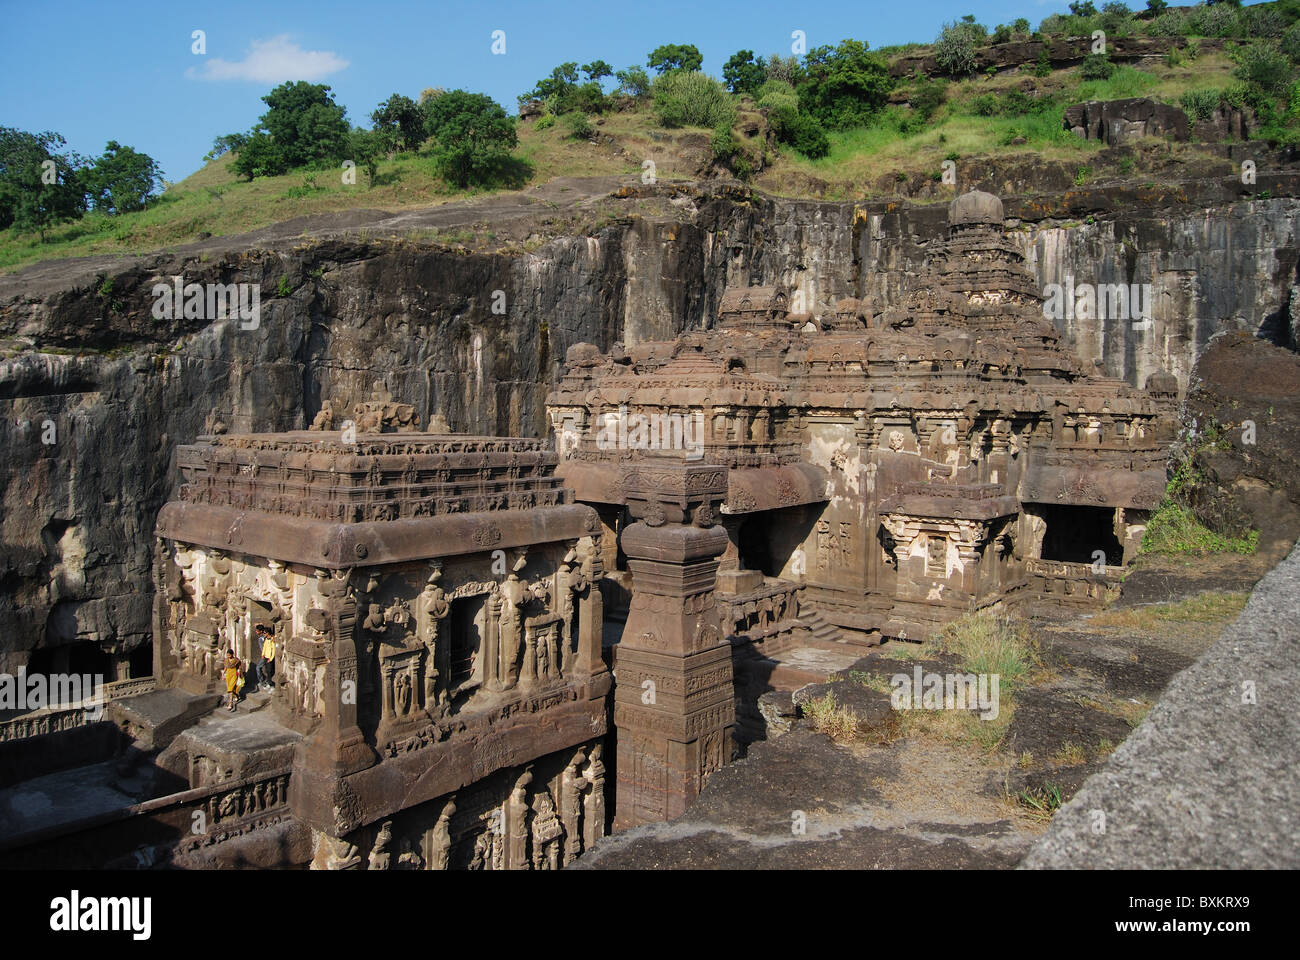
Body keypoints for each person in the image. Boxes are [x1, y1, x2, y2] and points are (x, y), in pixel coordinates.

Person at [254, 624, 276, 691]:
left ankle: (266, 683)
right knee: (266, 670)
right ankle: (266, 682)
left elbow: (273, 649)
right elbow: (263, 648)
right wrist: (263, 654)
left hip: (269, 657)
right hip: (265, 656)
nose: (256, 632)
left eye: (257, 631)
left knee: (266, 670)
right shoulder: (265, 639)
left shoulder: (269, 639)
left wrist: (270, 658)